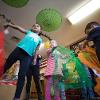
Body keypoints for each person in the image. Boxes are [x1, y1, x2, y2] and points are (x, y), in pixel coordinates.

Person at [2, 23, 43, 100]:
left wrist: (34, 59)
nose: (35, 26)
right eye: (33, 25)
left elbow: (37, 50)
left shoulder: (40, 39)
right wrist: (9, 25)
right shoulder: (29, 32)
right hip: (18, 50)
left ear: (40, 30)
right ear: (31, 28)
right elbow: (18, 28)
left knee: (22, 76)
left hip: (27, 56)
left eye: (38, 26)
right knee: (6, 65)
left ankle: (16, 97)